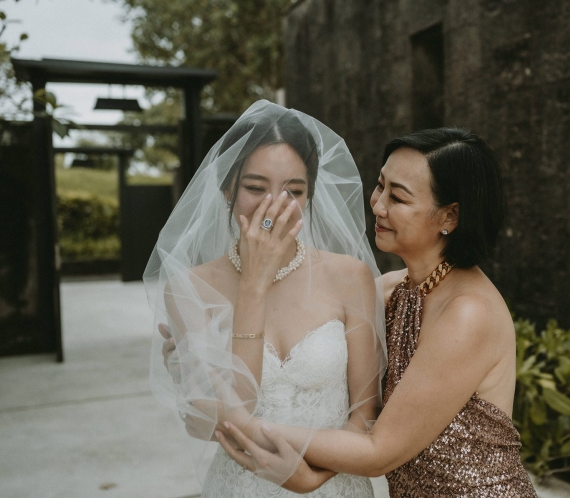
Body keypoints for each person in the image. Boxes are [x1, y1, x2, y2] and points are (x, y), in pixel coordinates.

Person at [218, 127, 538, 497]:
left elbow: (378, 451)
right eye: (380, 185)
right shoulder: (390, 289)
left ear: (449, 216)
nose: (378, 205)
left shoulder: (468, 313)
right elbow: (352, 397)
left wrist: (243, 426)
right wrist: (197, 349)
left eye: (398, 198)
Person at [145, 100, 386, 498]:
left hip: (338, 486)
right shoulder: (189, 288)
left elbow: (364, 414)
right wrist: (254, 283)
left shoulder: (350, 277)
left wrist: (312, 477)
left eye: (294, 190)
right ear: (227, 189)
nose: (274, 207)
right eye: (256, 188)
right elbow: (237, 408)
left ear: (310, 195)